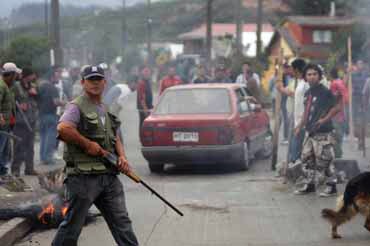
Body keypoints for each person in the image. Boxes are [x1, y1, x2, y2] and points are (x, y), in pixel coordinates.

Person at [52, 65, 139, 246]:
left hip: (108, 176)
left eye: (98, 79)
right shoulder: (76, 106)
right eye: (91, 80)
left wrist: (121, 157)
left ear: (105, 82)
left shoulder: (104, 107)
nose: (95, 83)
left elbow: (114, 135)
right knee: (72, 228)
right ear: (83, 82)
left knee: (122, 223)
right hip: (83, 179)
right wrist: (87, 144)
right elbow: (63, 128)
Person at [294, 63, 342, 197]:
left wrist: (324, 119)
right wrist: (299, 126)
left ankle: (332, 187)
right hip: (310, 132)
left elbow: (337, 107)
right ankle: (310, 185)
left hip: (323, 132)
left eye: (315, 74)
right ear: (305, 77)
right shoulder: (308, 93)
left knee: (325, 161)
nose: (312, 77)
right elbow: (306, 112)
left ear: (319, 76)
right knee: (307, 159)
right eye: (309, 74)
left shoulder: (325, 92)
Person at [11, 67, 38, 176]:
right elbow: (9, 100)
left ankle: (29, 168)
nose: (34, 77)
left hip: (31, 119)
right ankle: (15, 169)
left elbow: (38, 100)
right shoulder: (16, 86)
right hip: (20, 120)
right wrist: (18, 107)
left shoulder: (32, 86)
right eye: (32, 75)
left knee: (30, 147)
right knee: (18, 146)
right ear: (27, 75)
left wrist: (35, 94)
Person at [37, 67, 65, 165]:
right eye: (58, 76)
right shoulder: (53, 88)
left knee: (43, 136)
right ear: (53, 76)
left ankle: (43, 157)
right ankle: (48, 158)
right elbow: (56, 102)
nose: (59, 78)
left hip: (41, 115)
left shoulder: (41, 86)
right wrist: (66, 103)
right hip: (51, 115)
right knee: (51, 137)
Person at [287, 58, 309, 164]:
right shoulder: (300, 83)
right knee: (296, 145)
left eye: (291, 69)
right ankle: (294, 166)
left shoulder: (305, 84)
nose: (290, 71)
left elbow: (308, 104)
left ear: (296, 70)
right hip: (297, 120)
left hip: (302, 121)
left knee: (297, 146)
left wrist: (301, 122)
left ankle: (295, 166)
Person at [0, 62, 20, 176]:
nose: (16, 78)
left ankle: (2, 172)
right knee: (1, 149)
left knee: (5, 150)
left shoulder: (6, 86)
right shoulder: (1, 85)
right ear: (11, 74)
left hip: (7, 124)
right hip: (2, 124)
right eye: (15, 75)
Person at [330, 68, 348, 158]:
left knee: (336, 134)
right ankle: (339, 152)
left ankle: (338, 154)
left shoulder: (334, 83)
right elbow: (345, 98)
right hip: (342, 112)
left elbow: (333, 98)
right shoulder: (341, 82)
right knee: (339, 134)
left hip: (336, 113)